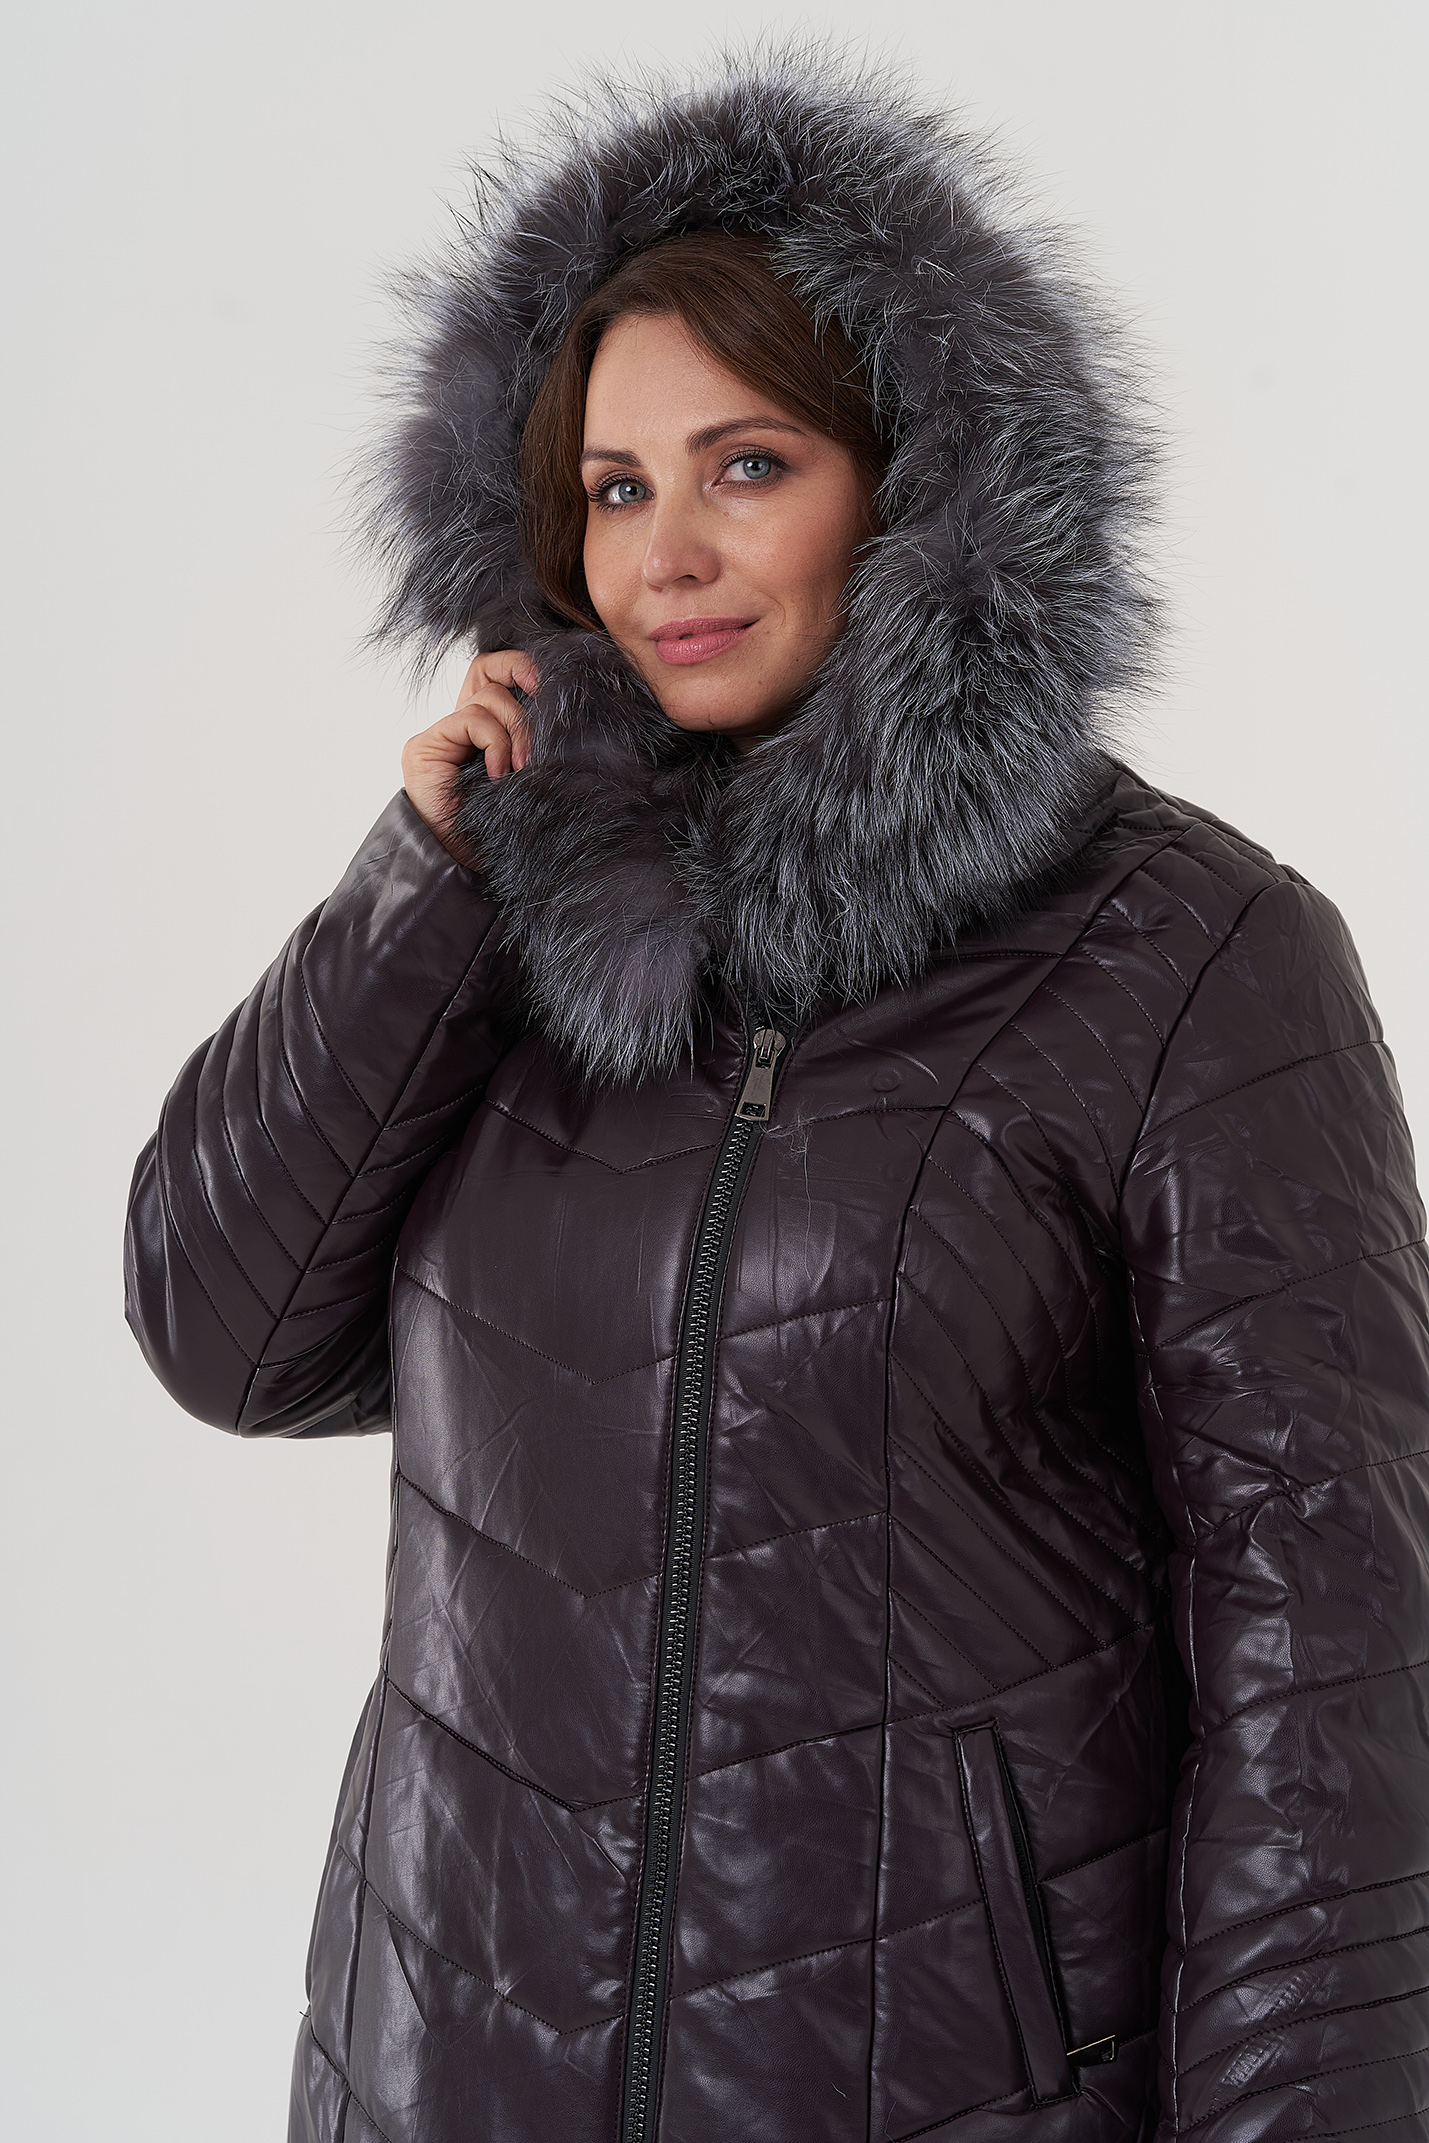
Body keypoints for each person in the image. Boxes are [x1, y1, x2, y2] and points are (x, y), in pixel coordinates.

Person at [123, 47, 1429, 2143]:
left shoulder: (1192, 960)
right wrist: (426, 887)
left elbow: (1331, 1676)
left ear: (917, 480)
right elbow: (227, 1335)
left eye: (746, 465)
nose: (664, 555)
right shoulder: (506, 914)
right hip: (448, 2066)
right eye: (613, 488)